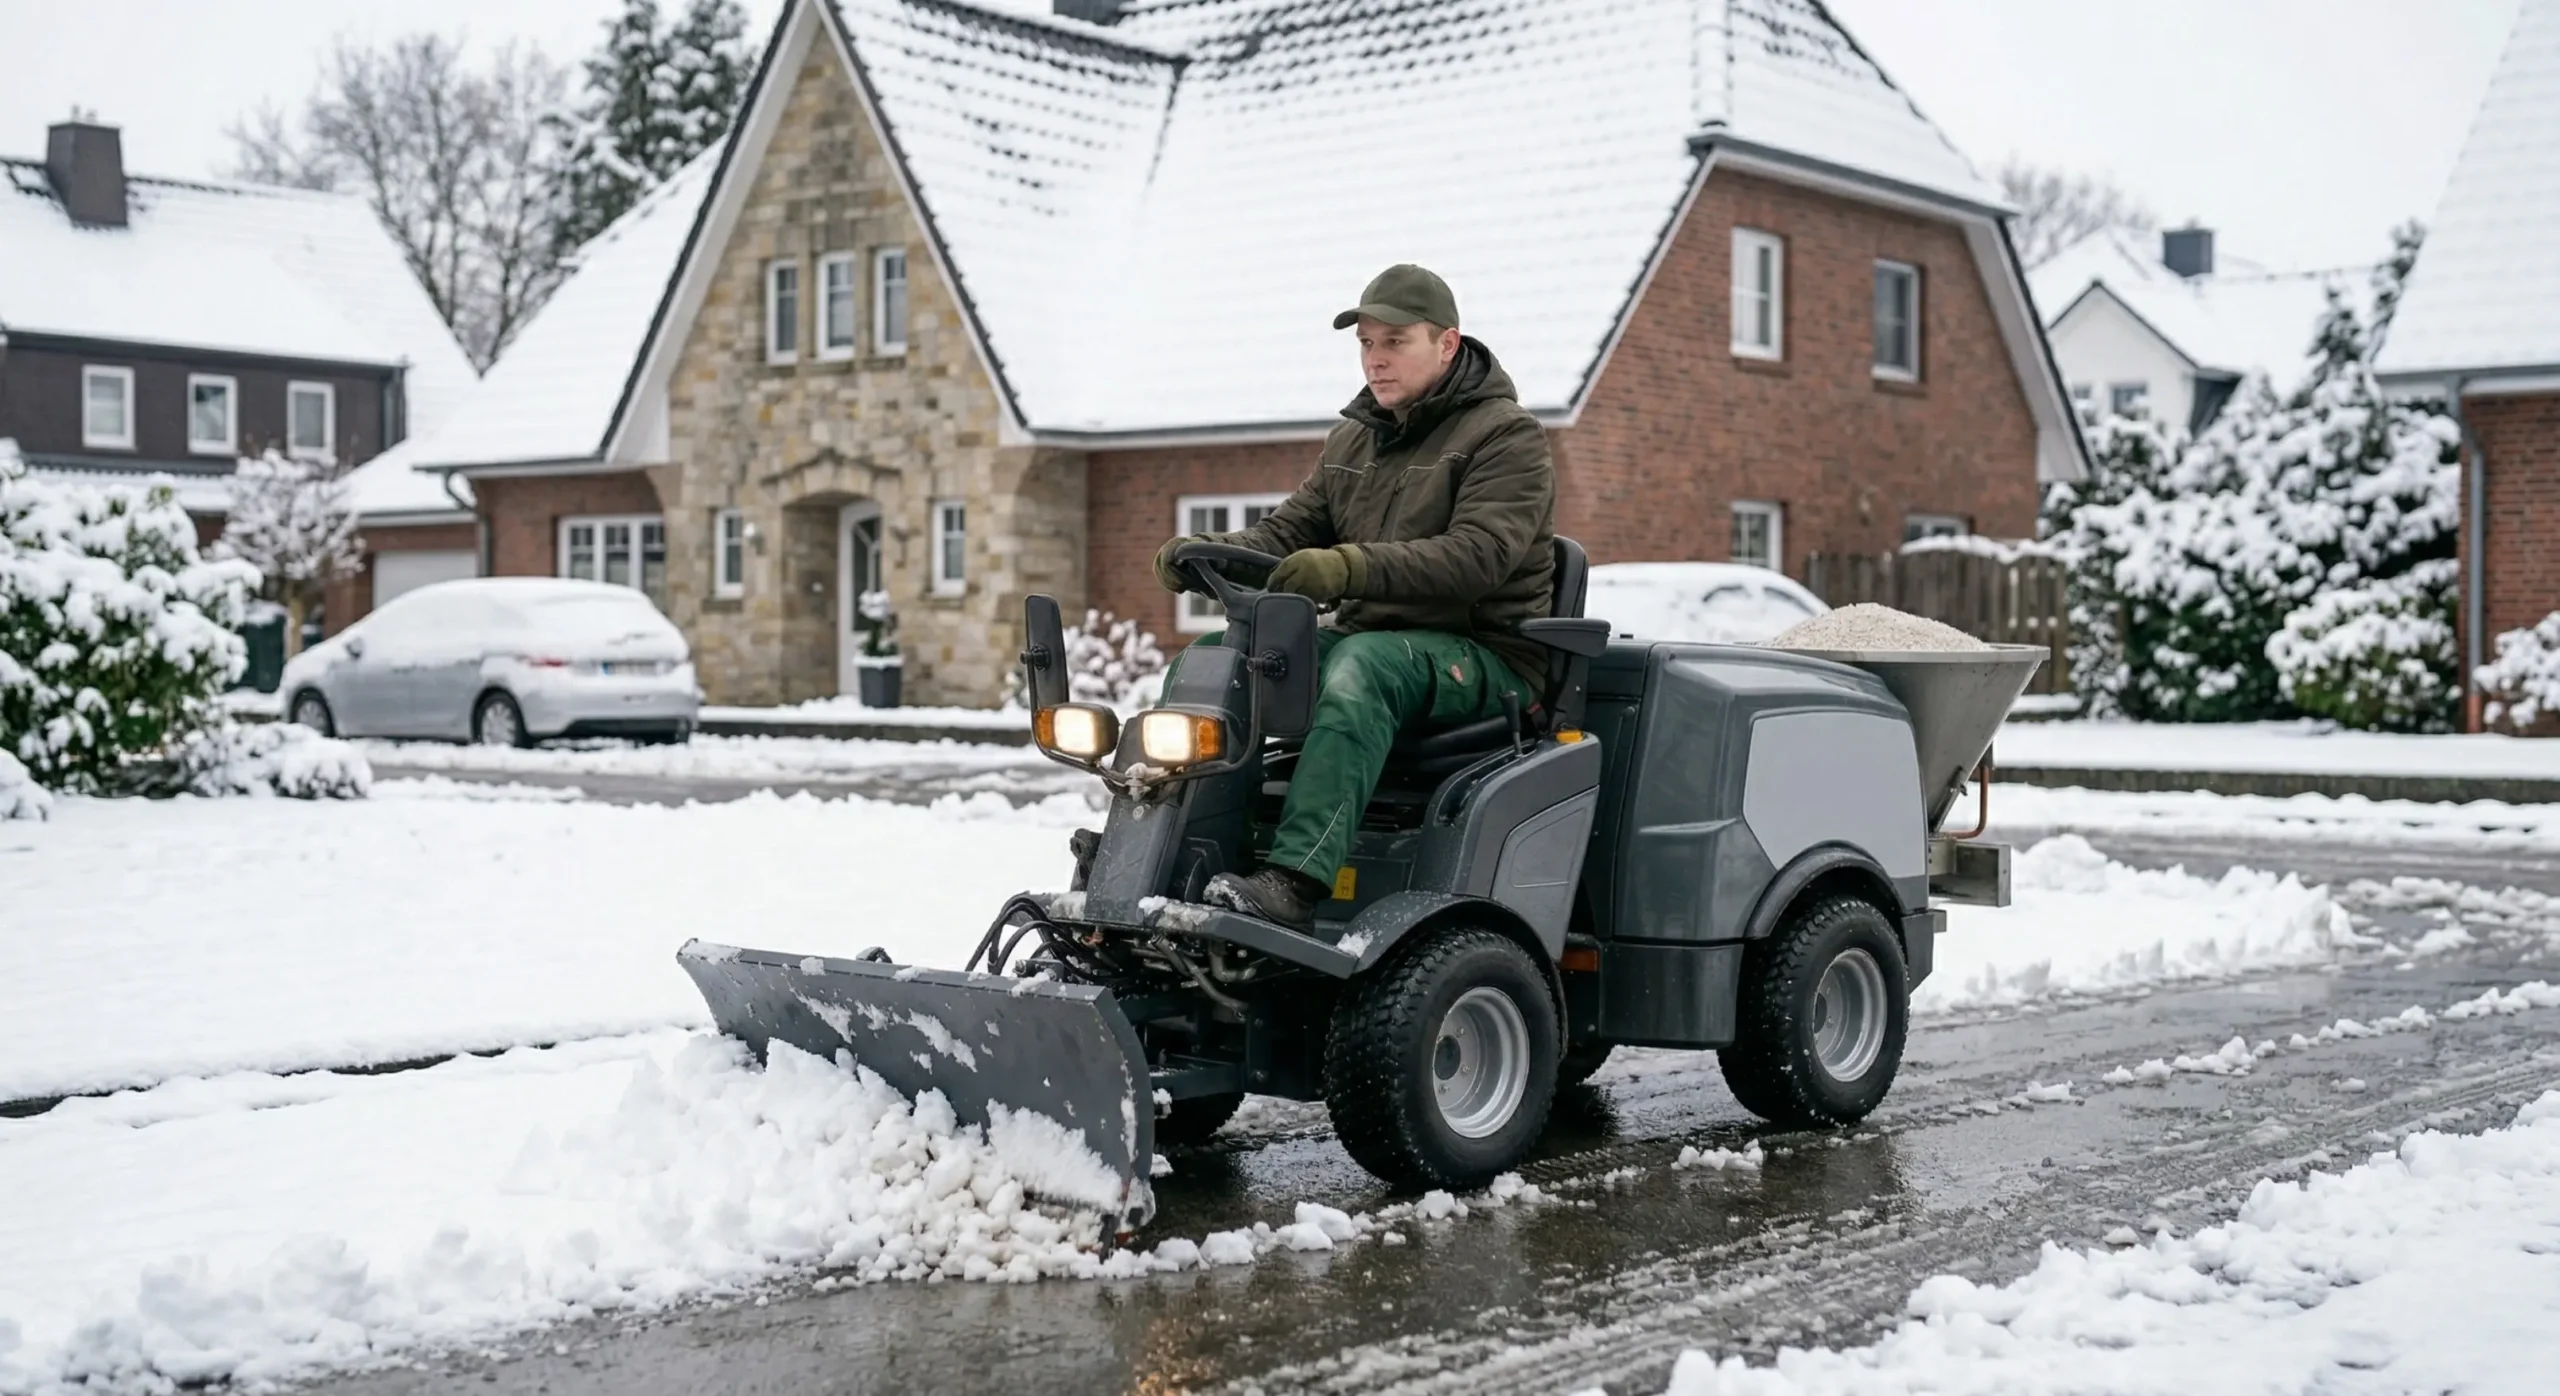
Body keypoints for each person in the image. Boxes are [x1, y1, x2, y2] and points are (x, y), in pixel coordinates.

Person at [1157, 264, 1555, 931]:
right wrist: (1201, 554)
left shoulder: (1506, 436)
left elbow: (1479, 557)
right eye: (1367, 343)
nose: (1376, 358)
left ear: (1448, 344)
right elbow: (1286, 533)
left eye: (1395, 341)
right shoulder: (1355, 439)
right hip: (1377, 642)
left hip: (1485, 656)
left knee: (1361, 667)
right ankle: (1181, 853)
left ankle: (1294, 881)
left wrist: (1347, 568)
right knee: (1213, 659)